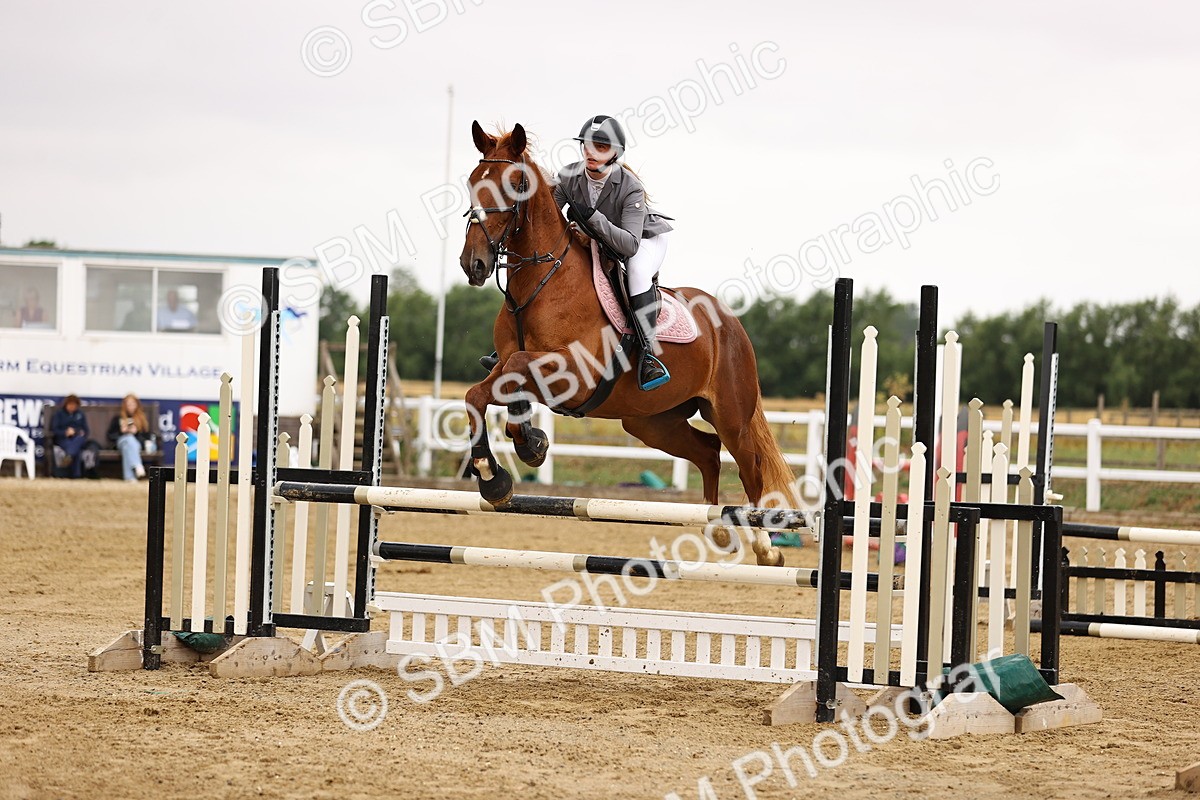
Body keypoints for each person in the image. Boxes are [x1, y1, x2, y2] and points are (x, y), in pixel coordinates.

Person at [480, 115, 675, 391]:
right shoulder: (570, 176)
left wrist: (592, 219)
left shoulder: (630, 187)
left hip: (643, 238)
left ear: (615, 153)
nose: (591, 153)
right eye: (587, 146)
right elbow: (548, 219)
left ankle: (648, 354)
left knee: (638, 273)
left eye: (601, 147)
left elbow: (629, 245)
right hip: (601, 238)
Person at [107, 394, 152, 481]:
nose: (130, 406)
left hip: (135, 444)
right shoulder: (118, 418)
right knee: (128, 439)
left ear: (137, 405)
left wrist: (136, 432)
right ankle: (137, 465)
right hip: (121, 441)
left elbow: (146, 437)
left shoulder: (141, 418)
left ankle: (130, 478)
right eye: (128, 404)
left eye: (133, 404)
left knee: (127, 446)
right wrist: (122, 431)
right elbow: (110, 435)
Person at [51, 394, 89, 479]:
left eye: (74, 405)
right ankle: (76, 475)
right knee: (77, 450)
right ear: (66, 404)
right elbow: (54, 430)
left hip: (77, 438)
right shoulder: (59, 414)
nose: (72, 407)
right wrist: (65, 432)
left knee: (79, 440)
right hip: (64, 439)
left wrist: (75, 431)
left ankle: (69, 455)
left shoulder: (80, 414)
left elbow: (86, 431)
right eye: (70, 404)